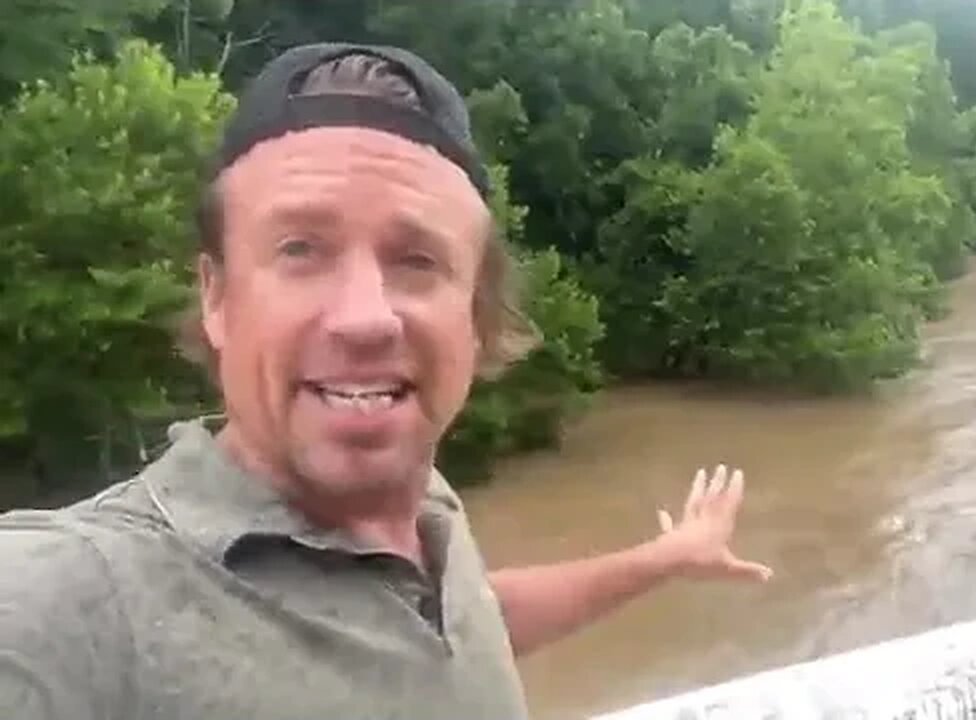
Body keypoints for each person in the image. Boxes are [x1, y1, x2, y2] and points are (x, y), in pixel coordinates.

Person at [0, 44, 773, 719]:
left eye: (417, 260)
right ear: (216, 296)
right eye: (301, 248)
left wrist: (666, 559)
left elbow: (462, 627)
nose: (365, 319)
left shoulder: (424, 497)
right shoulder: (74, 602)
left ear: (474, 317)